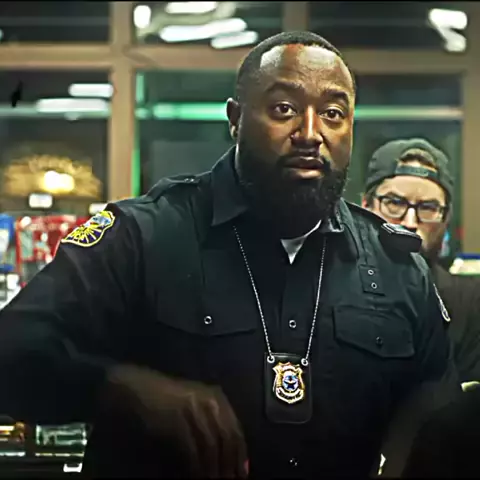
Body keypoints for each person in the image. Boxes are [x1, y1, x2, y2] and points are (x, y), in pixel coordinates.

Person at [0, 32, 459, 478]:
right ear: (235, 119)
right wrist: (123, 388)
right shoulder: (143, 236)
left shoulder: (395, 267)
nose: (310, 133)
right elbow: (13, 351)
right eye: (284, 109)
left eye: (333, 114)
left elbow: (442, 428)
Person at [362, 138, 480, 384]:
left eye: (428, 207)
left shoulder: (470, 305)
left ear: (445, 219)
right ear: (366, 207)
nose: (410, 222)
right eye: (394, 203)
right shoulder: (330, 289)